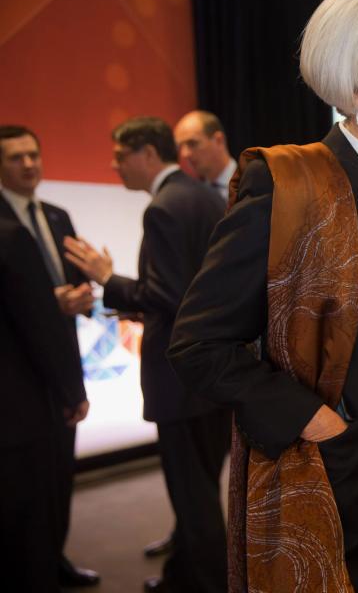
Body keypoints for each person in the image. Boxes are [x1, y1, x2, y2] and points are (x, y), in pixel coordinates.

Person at [167, 0, 358, 593]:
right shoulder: (285, 188)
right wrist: (311, 420)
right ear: (355, 84)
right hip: (333, 481)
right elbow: (200, 345)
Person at [64, 117, 230, 593]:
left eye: (119, 156)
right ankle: (184, 576)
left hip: (178, 376)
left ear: (147, 156)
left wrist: (107, 278)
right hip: (212, 370)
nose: (114, 166)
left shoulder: (163, 207)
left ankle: (208, 583)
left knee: (193, 498)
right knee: (200, 490)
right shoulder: (204, 197)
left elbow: (169, 295)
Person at [0, 125, 99, 588]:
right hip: (19, 370)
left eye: (33, 154)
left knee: (60, 470)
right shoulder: (5, 224)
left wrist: (82, 294)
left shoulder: (56, 216)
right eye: (16, 157)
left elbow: (77, 279)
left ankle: (54, 556)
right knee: (25, 484)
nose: (28, 164)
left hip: (61, 356)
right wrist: (49, 304)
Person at [174, 110, 237, 201]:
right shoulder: (193, 196)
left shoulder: (251, 184)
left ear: (219, 140)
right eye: (180, 147)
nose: (185, 154)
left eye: (192, 143)